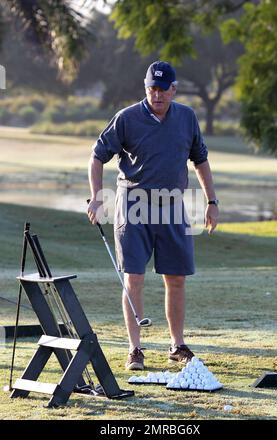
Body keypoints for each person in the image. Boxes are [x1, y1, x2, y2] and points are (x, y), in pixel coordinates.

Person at [87, 61, 219, 371]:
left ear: (174, 89)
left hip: (173, 205)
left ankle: (177, 345)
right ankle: (135, 349)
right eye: (151, 89)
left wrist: (212, 201)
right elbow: (97, 157)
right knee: (133, 278)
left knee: (176, 278)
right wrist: (95, 197)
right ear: (146, 88)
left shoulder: (186, 117)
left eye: (162, 89)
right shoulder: (127, 119)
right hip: (133, 205)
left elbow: (200, 160)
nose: (156, 95)